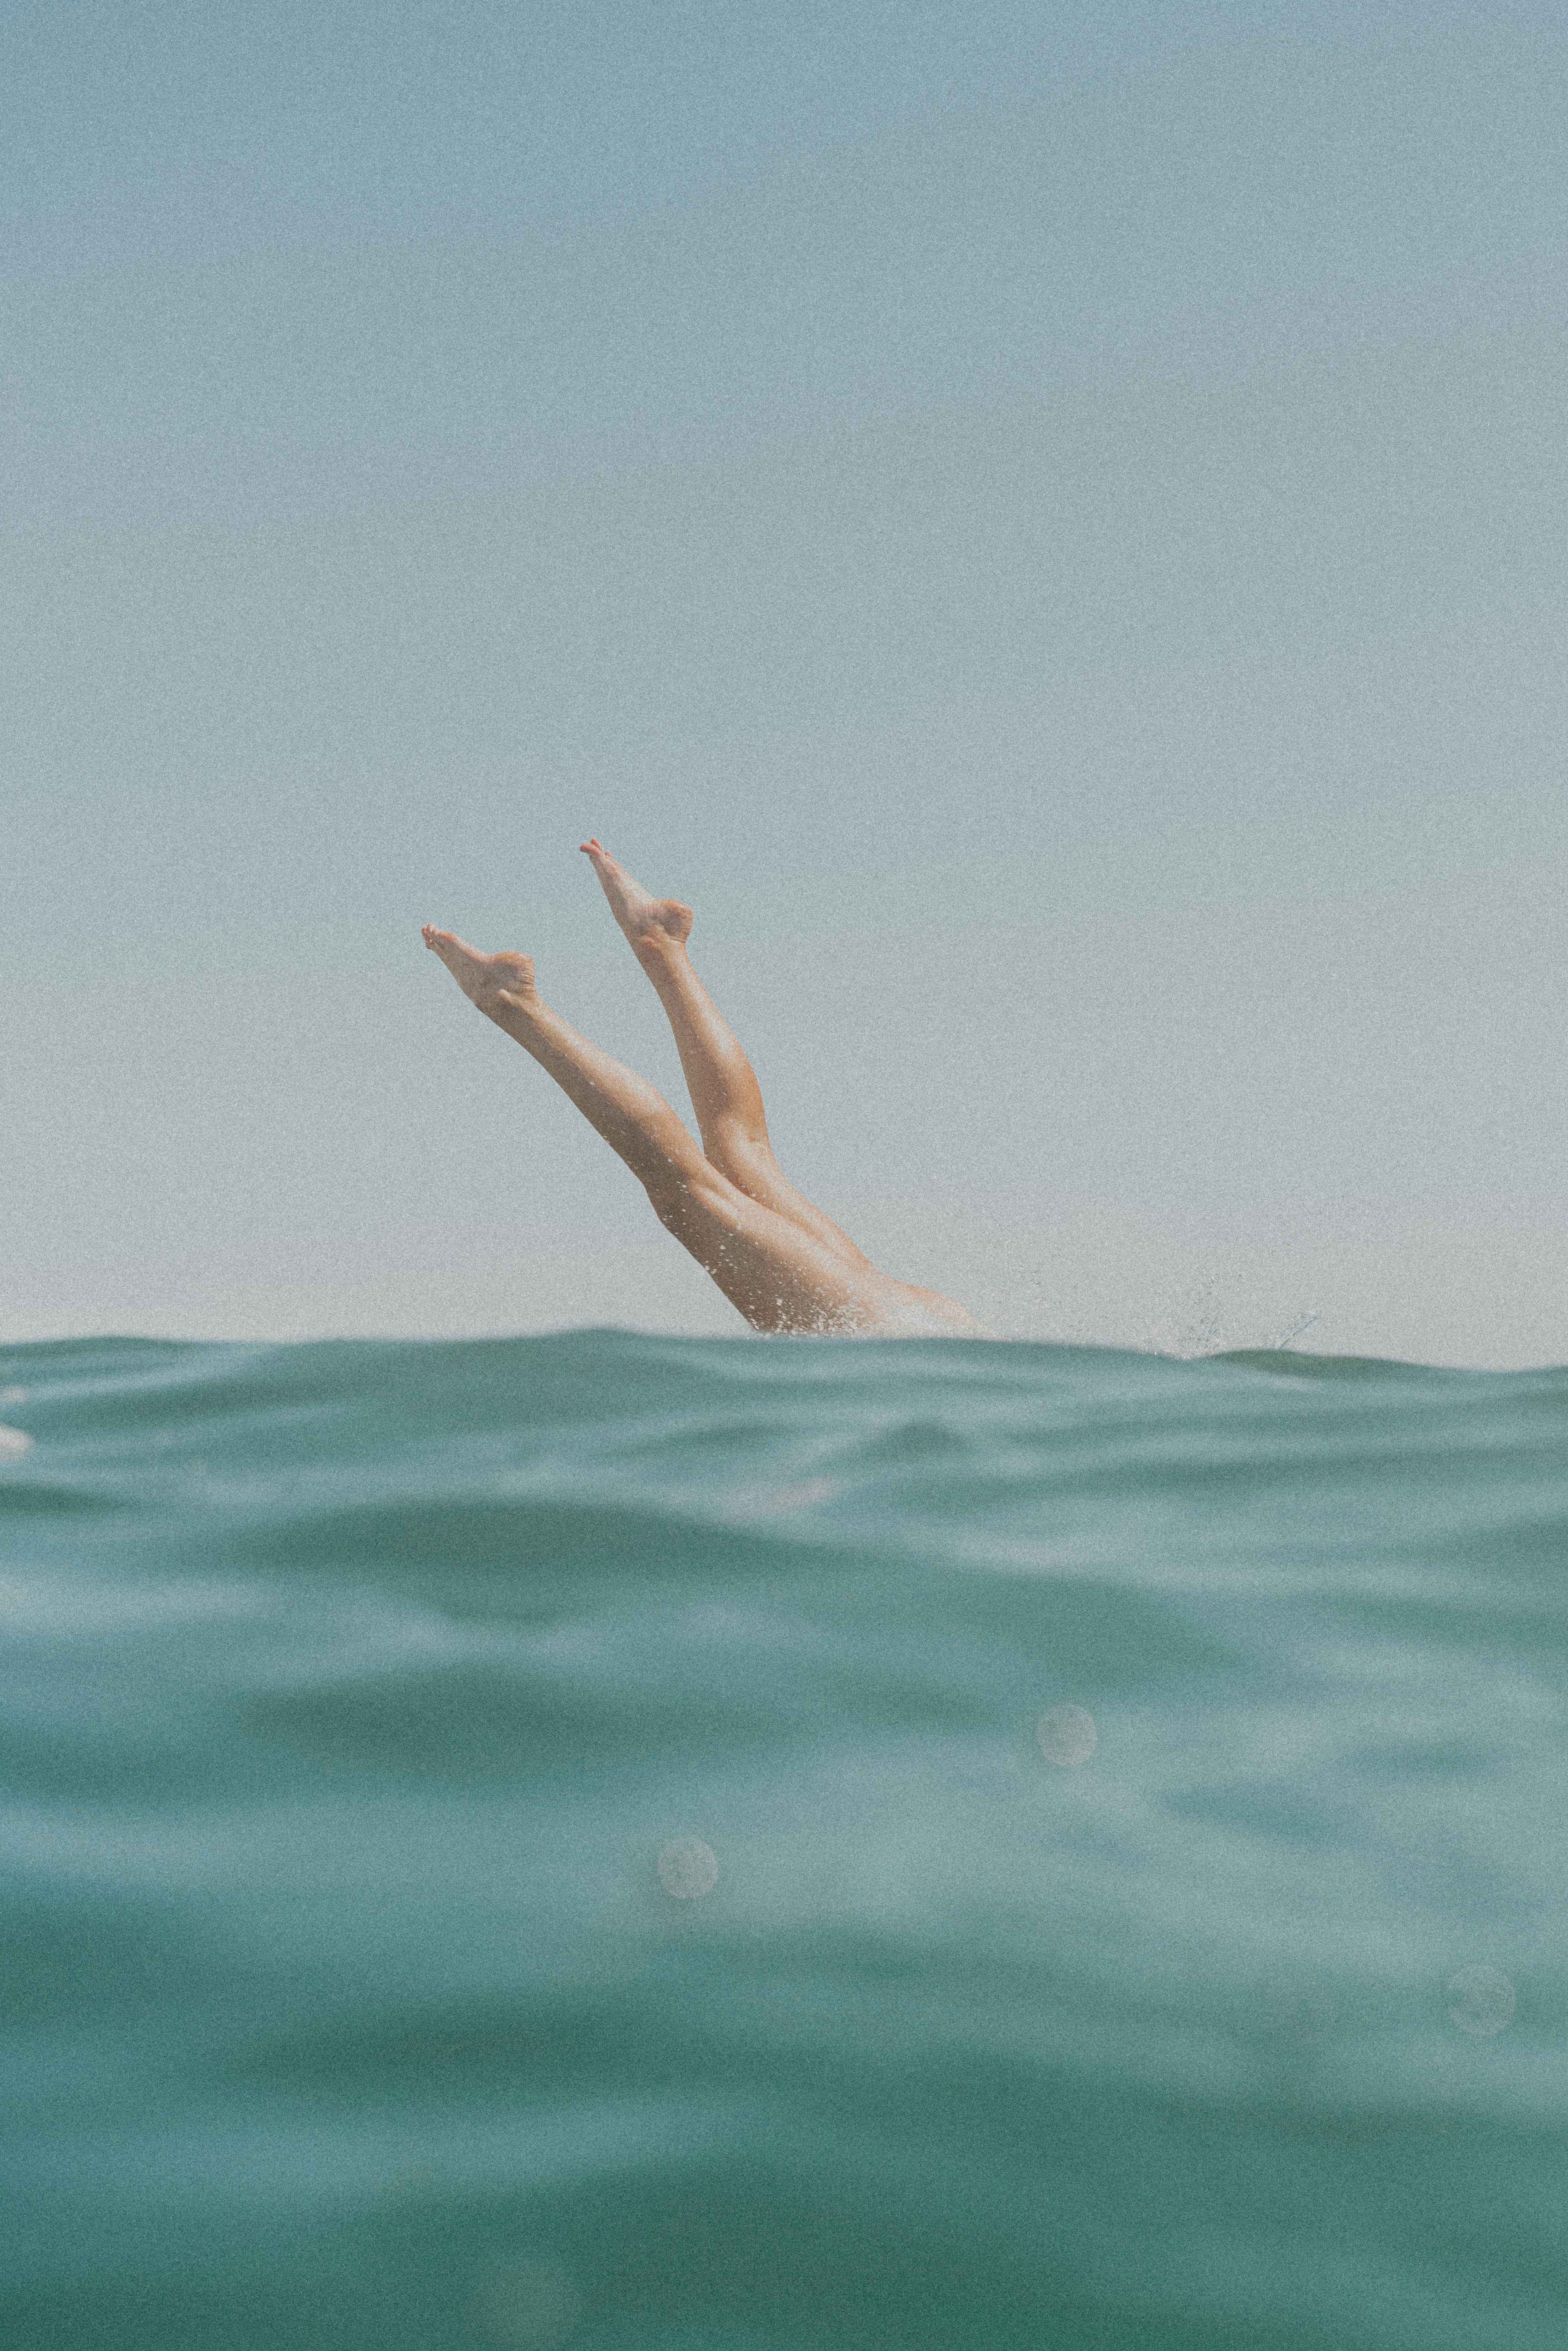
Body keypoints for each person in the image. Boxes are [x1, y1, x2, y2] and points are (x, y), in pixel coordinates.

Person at [423, 842, 977, 1336]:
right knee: (688, 1196)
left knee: (746, 1160)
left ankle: (661, 943)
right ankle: (514, 1003)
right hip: (877, 1334)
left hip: (924, 1322)